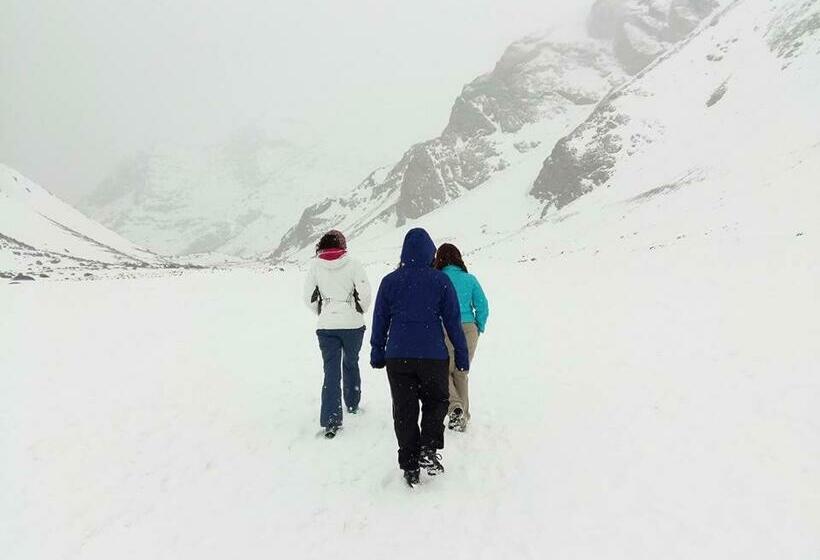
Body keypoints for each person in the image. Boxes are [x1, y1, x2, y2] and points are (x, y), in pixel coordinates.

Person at [370, 228, 470, 486]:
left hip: (398, 356)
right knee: (436, 402)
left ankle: (410, 464)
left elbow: (380, 320)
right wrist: (461, 354)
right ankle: (428, 447)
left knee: (404, 409)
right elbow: (453, 322)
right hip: (433, 355)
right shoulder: (440, 281)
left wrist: (377, 351)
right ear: (430, 253)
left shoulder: (389, 282)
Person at [303, 230, 371, 439]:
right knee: (351, 362)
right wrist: (357, 309)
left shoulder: (315, 266)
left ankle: (331, 419)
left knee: (331, 372)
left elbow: (308, 297)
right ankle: (352, 402)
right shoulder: (354, 264)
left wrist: (324, 311)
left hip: (327, 326)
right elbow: (365, 295)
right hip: (352, 324)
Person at [434, 243, 489, 432]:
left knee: (443, 370)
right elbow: (482, 305)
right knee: (461, 371)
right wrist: (478, 326)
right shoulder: (470, 279)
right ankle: (462, 416)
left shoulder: (438, 278)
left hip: (445, 328)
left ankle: (454, 407)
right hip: (468, 328)